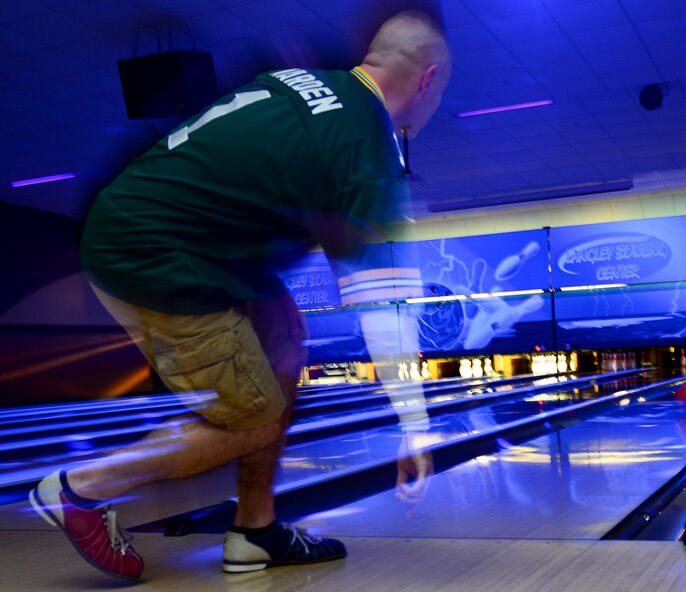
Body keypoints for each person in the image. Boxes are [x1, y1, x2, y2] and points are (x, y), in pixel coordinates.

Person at [28, 10, 451, 580]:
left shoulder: (303, 81)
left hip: (179, 241)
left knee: (285, 345)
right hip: (154, 255)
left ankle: (255, 531)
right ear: (428, 82)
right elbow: (381, 304)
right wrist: (415, 424)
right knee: (251, 419)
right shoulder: (366, 151)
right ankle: (79, 489)